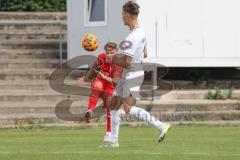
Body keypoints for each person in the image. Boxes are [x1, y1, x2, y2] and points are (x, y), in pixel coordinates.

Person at [100, 1, 171, 148]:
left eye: (122, 14)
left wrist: (112, 58)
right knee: (113, 105)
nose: (121, 17)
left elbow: (126, 62)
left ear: (127, 14)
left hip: (132, 76)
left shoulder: (132, 37)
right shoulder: (140, 33)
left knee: (127, 108)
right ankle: (113, 141)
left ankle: (161, 125)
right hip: (130, 74)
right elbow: (145, 54)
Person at [79, 42, 122, 142]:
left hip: (110, 83)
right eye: (108, 52)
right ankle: (90, 110)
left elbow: (116, 80)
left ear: (116, 52)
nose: (109, 54)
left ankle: (108, 132)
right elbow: (94, 68)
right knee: (96, 87)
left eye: (112, 52)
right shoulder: (101, 57)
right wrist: (86, 77)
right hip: (101, 80)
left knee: (109, 106)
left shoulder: (119, 63)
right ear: (105, 52)